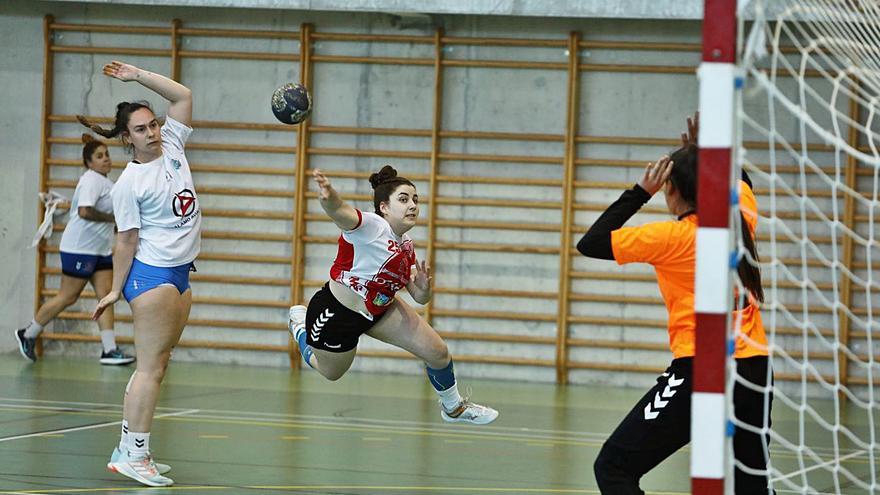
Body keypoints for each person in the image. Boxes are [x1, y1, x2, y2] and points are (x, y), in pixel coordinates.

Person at [579, 114, 774, 494]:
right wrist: (708, 153)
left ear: (673, 192)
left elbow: (592, 242)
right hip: (755, 369)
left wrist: (639, 191)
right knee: (752, 484)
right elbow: (741, 182)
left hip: (702, 370)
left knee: (614, 466)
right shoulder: (742, 217)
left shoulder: (671, 237)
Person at [288, 165, 498, 425]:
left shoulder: (406, 244)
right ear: (384, 207)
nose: (412, 205)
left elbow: (420, 299)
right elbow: (339, 211)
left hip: (380, 310)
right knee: (331, 373)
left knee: (438, 352)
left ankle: (453, 408)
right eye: (403, 199)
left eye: (415, 200)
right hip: (338, 314)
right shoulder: (372, 226)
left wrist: (423, 289)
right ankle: (300, 329)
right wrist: (329, 196)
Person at [80, 60, 198, 487]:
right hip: (153, 277)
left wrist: (138, 76)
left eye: (153, 124)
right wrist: (114, 291)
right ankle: (134, 453)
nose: (152, 132)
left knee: (157, 364)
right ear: (127, 138)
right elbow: (125, 240)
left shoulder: (173, 143)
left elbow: (182, 96)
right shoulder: (129, 183)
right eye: (142, 129)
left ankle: (130, 449)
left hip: (179, 273)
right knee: (149, 368)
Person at [15, 134, 134, 365]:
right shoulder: (91, 180)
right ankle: (27, 333)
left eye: (107, 154)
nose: (106, 159)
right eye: (99, 156)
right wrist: (113, 219)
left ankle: (109, 350)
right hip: (79, 248)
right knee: (67, 297)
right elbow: (84, 211)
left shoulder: (106, 183)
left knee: (106, 298)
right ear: (89, 163)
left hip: (99, 250)